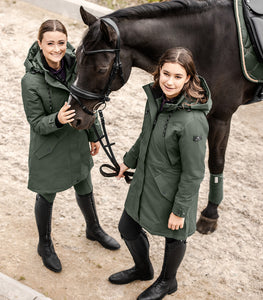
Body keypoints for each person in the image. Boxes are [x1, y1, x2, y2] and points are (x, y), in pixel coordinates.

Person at [108, 47, 212, 299]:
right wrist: (127, 161)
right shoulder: (156, 98)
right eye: (166, 73)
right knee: (127, 227)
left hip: (172, 191)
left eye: (178, 76)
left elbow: (194, 172)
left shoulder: (192, 122)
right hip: (144, 180)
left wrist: (180, 210)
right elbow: (147, 134)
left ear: (188, 78)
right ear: (158, 72)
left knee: (174, 238)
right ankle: (143, 269)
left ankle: (167, 282)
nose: (169, 81)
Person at [21, 20, 120, 273]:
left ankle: (93, 229)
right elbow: (36, 123)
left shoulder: (77, 64)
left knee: (85, 183)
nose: (57, 49)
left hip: (76, 140)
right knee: (46, 194)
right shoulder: (30, 82)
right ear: (40, 43)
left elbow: (88, 103)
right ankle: (44, 245)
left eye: (61, 43)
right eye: (50, 43)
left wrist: (94, 135)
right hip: (49, 148)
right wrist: (57, 119)